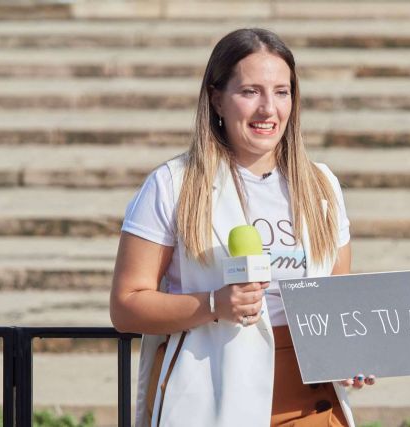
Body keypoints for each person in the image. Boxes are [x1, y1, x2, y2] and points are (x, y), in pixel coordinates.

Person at [110, 28, 375, 427]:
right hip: (214, 398)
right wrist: (214, 304)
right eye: (250, 91)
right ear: (216, 98)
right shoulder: (173, 184)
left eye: (281, 92)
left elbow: (335, 303)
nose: (269, 109)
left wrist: (349, 354)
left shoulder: (322, 185)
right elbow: (126, 305)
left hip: (313, 407)